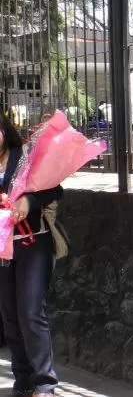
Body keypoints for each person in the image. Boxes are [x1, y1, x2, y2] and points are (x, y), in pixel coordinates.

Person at [0, 113, 63, 397]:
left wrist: (28, 199)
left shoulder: (25, 156)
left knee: (30, 312)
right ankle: (23, 381)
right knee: (10, 317)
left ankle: (44, 383)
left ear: (4, 130)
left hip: (32, 242)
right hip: (2, 249)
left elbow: (54, 189)